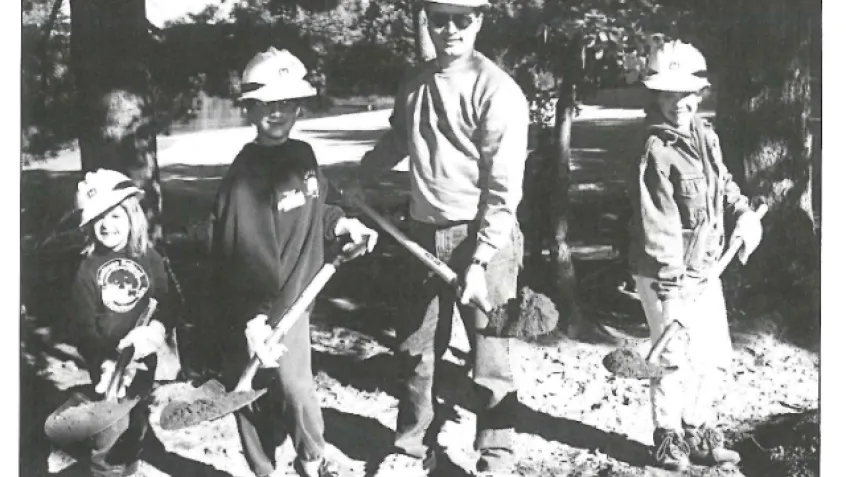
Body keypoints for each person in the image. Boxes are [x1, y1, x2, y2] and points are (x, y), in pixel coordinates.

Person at [353, 1, 529, 475]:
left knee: (489, 357)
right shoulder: (415, 82)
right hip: (421, 236)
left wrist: (480, 260)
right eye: (439, 18)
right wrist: (360, 178)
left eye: (461, 18)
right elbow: (397, 140)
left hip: (483, 238)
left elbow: (503, 189)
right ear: (427, 21)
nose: (449, 29)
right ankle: (411, 448)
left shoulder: (498, 91)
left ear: (479, 21)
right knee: (415, 350)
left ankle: (496, 456)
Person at [209, 47, 378, 477]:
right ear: (248, 108)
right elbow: (242, 253)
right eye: (266, 103)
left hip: (295, 301)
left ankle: (311, 461)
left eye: (287, 103)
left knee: (294, 386)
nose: (278, 112)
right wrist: (253, 319)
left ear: (299, 105)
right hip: (257, 308)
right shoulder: (244, 178)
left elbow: (318, 207)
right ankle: (266, 469)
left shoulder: (302, 155)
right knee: (254, 390)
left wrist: (344, 227)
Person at [628, 40, 764, 471]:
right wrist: (672, 294)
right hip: (664, 273)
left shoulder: (705, 135)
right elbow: (659, 227)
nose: (679, 103)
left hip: (705, 267)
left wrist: (743, 213)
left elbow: (722, 185)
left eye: (687, 93)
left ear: (700, 92)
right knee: (672, 358)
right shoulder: (655, 149)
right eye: (669, 94)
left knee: (715, 356)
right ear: (656, 96)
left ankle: (699, 430)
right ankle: (668, 440)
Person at [67, 169, 176, 477]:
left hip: (142, 357)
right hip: (107, 361)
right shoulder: (86, 269)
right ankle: (104, 470)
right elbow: (83, 327)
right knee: (109, 428)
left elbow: (168, 302)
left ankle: (130, 466)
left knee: (136, 419)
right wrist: (102, 360)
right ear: (89, 225)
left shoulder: (149, 258)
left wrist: (156, 330)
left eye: (115, 216)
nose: (107, 225)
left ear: (132, 216)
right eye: (98, 219)